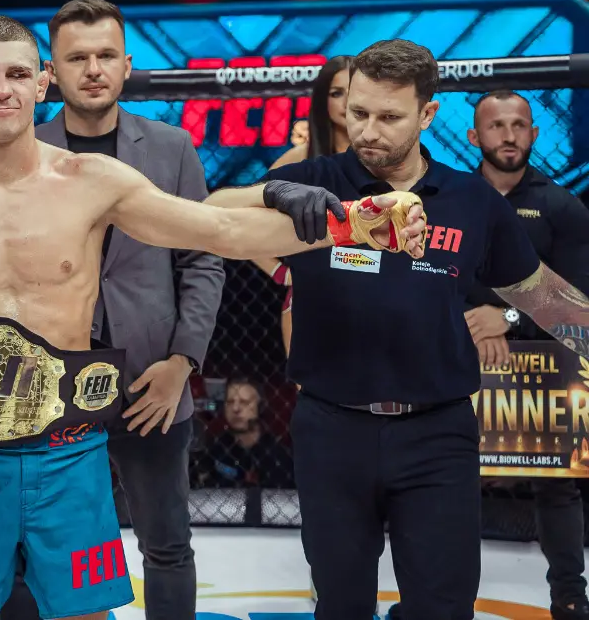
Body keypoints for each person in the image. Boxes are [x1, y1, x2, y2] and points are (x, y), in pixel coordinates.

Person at [0, 16, 427, 620]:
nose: (1, 89)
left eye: (16, 74)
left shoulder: (92, 182)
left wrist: (352, 224)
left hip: (69, 454)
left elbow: (218, 229)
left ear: (41, 83)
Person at [206, 39, 589, 620]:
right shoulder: (315, 184)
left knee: (443, 607)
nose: (368, 131)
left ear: (427, 114)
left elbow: (545, 298)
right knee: (342, 606)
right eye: (358, 112)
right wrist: (271, 190)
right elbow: (213, 214)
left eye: (389, 117)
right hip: (332, 428)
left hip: (437, 433)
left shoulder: (471, 200)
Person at [0, 0, 224, 620]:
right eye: (77, 58)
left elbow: (202, 260)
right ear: (51, 72)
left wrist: (182, 363)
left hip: (151, 381)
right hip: (45, 387)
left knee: (166, 545)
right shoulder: (19, 151)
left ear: (126, 64)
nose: (93, 69)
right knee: (29, 550)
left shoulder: (171, 148)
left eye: (105, 56)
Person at [462, 91, 589, 620]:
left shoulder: (562, 206)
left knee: (556, 487)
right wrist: (474, 323)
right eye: (497, 126)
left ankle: (570, 598)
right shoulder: (451, 200)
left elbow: (578, 304)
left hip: (543, 365)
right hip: (461, 359)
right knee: (446, 484)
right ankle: (443, 599)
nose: (508, 135)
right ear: (475, 136)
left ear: (535, 134)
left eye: (519, 125)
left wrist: (508, 319)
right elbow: (431, 280)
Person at [250, 55, 353, 355]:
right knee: (310, 384)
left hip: (379, 293)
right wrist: (279, 272)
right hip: (313, 294)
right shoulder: (302, 158)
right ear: (322, 100)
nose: (347, 102)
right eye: (337, 93)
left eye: (355, 91)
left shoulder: (387, 158)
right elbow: (242, 211)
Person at [195, 377, 294, 489]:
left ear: (260, 407)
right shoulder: (215, 447)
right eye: (230, 402)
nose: (236, 408)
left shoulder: (278, 456)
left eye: (244, 402)